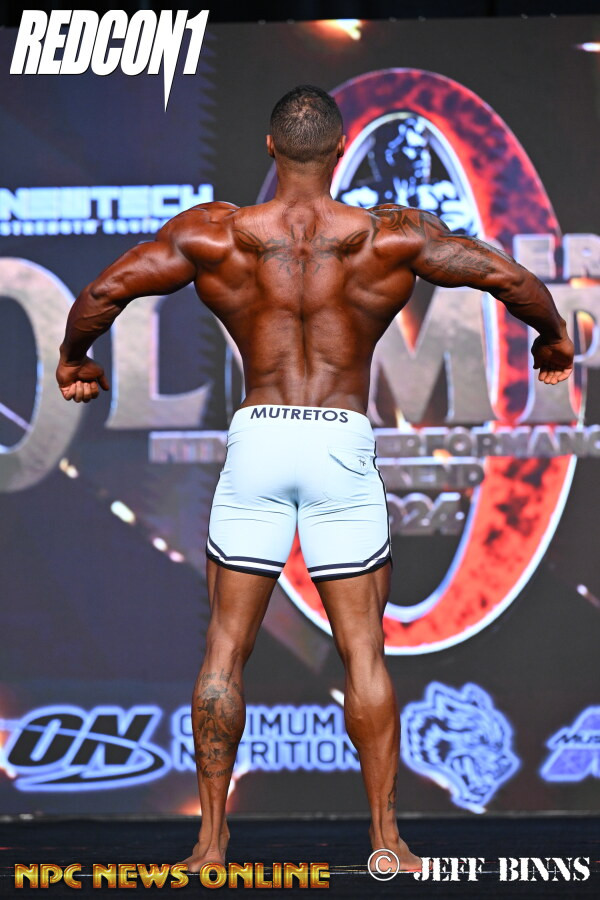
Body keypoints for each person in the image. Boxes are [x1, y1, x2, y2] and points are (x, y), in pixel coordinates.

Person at [55, 85, 574, 873]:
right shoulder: (388, 236)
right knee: (364, 651)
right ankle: (386, 840)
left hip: (259, 441)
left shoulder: (217, 234)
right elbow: (505, 277)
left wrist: (75, 359)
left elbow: (104, 292)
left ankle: (210, 842)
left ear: (271, 148)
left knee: (224, 650)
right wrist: (552, 339)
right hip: (339, 443)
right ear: (338, 150)